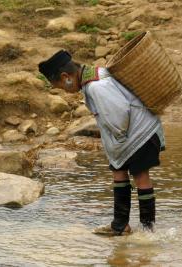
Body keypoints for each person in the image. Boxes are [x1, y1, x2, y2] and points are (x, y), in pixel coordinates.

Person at [38, 50, 165, 236]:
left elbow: (120, 115)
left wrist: (117, 140)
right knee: (119, 172)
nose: (65, 91)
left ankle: (148, 231)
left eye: (61, 87)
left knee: (140, 176)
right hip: (130, 136)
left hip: (141, 134)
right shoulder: (93, 77)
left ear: (66, 77)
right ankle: (120, 225)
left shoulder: (96, 86)